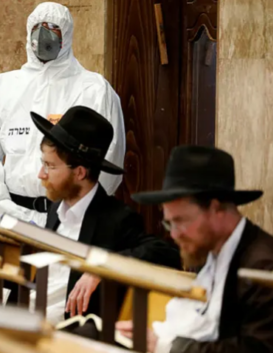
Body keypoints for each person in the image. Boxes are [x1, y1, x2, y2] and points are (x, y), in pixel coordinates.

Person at [115, 145, 273, 353]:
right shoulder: (215, 250)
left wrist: (166, 346)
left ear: (216, 208)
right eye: (169, 224)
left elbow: (259, 350)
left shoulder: (264, 268)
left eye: (181, 221)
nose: (174, 234)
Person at [0, 2, 125, 227]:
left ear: (67, 35)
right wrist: (2, 210)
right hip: (12, 218)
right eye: (38, 27)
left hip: (72, 222)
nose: (43, 35)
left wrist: (76, 216)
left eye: (52, 28)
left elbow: (109, 159)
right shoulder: (3, 88)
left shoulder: (94, 90)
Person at [31, 105, 181, 325]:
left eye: (50, 166)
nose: (41, 174)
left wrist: (102, 267)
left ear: (80, 172)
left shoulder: (117, 218)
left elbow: (168, 254)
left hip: (67, 335)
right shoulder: (55, 209)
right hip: (27, 316)